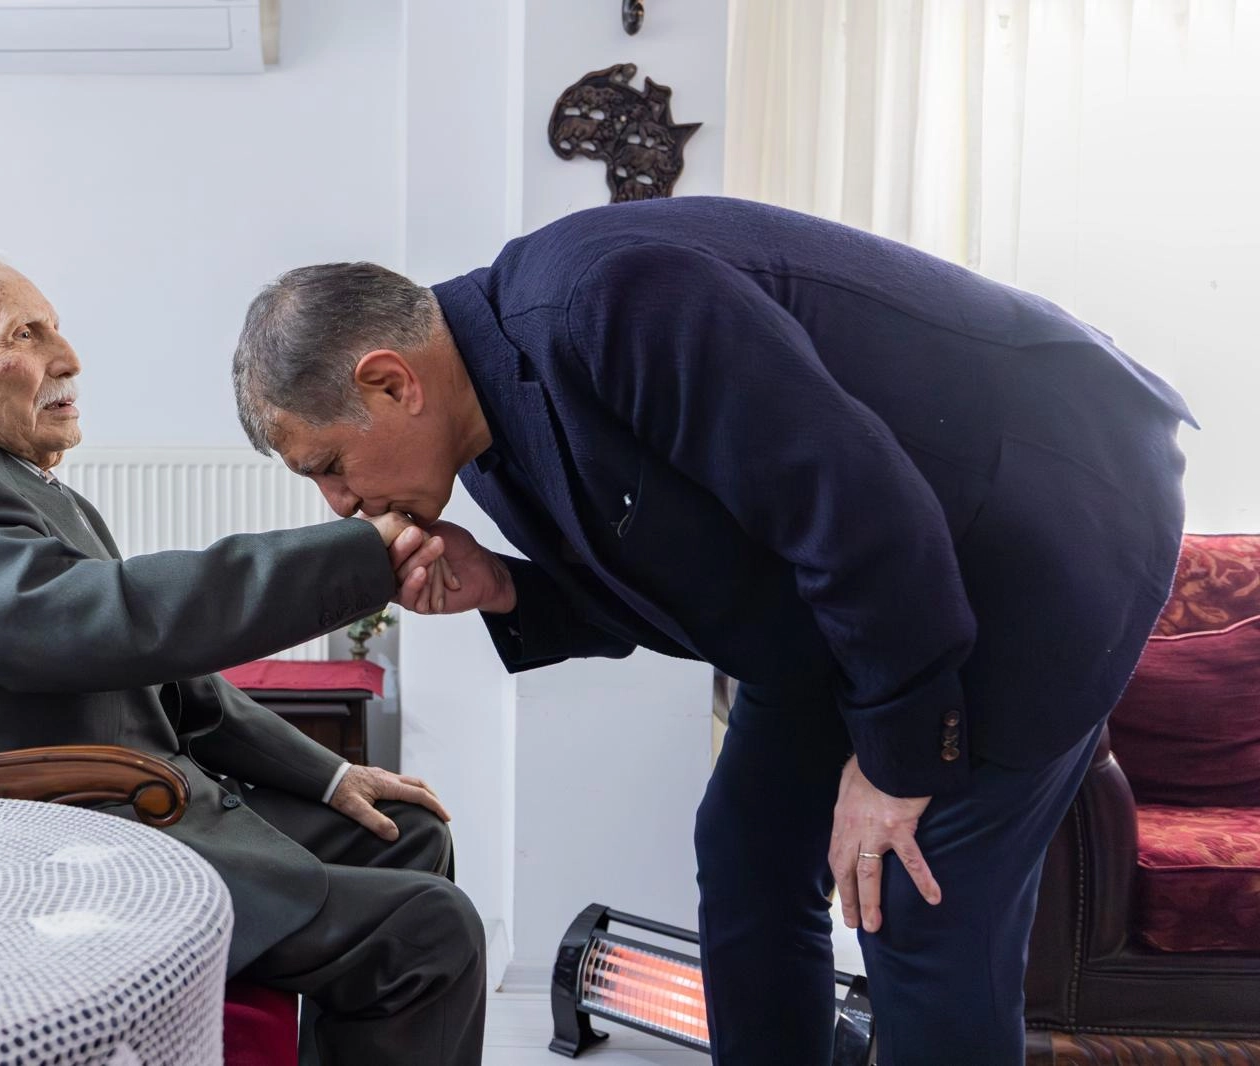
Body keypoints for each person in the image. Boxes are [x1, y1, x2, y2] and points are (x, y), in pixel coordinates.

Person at [230, 197, 1193, 1066]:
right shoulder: (486, 438)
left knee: (914, 894)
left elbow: (858, 512)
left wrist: (898, 767)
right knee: (746, 858)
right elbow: (696, 594)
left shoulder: (610, 299)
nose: (341, 502)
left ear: (392, 382)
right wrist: (504, 589)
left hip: (1045, 523)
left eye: (328, 464)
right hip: (867, 594)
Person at [0, 246, 486, 1066]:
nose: (67, 359)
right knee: (429, 932)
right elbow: (103, 623)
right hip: (51, 835)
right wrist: (361, 555)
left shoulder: (6, 477)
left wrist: (332, 774)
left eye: (56, 330)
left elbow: (160, 673)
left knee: (407, 830)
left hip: (137, 798)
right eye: (26, 335)